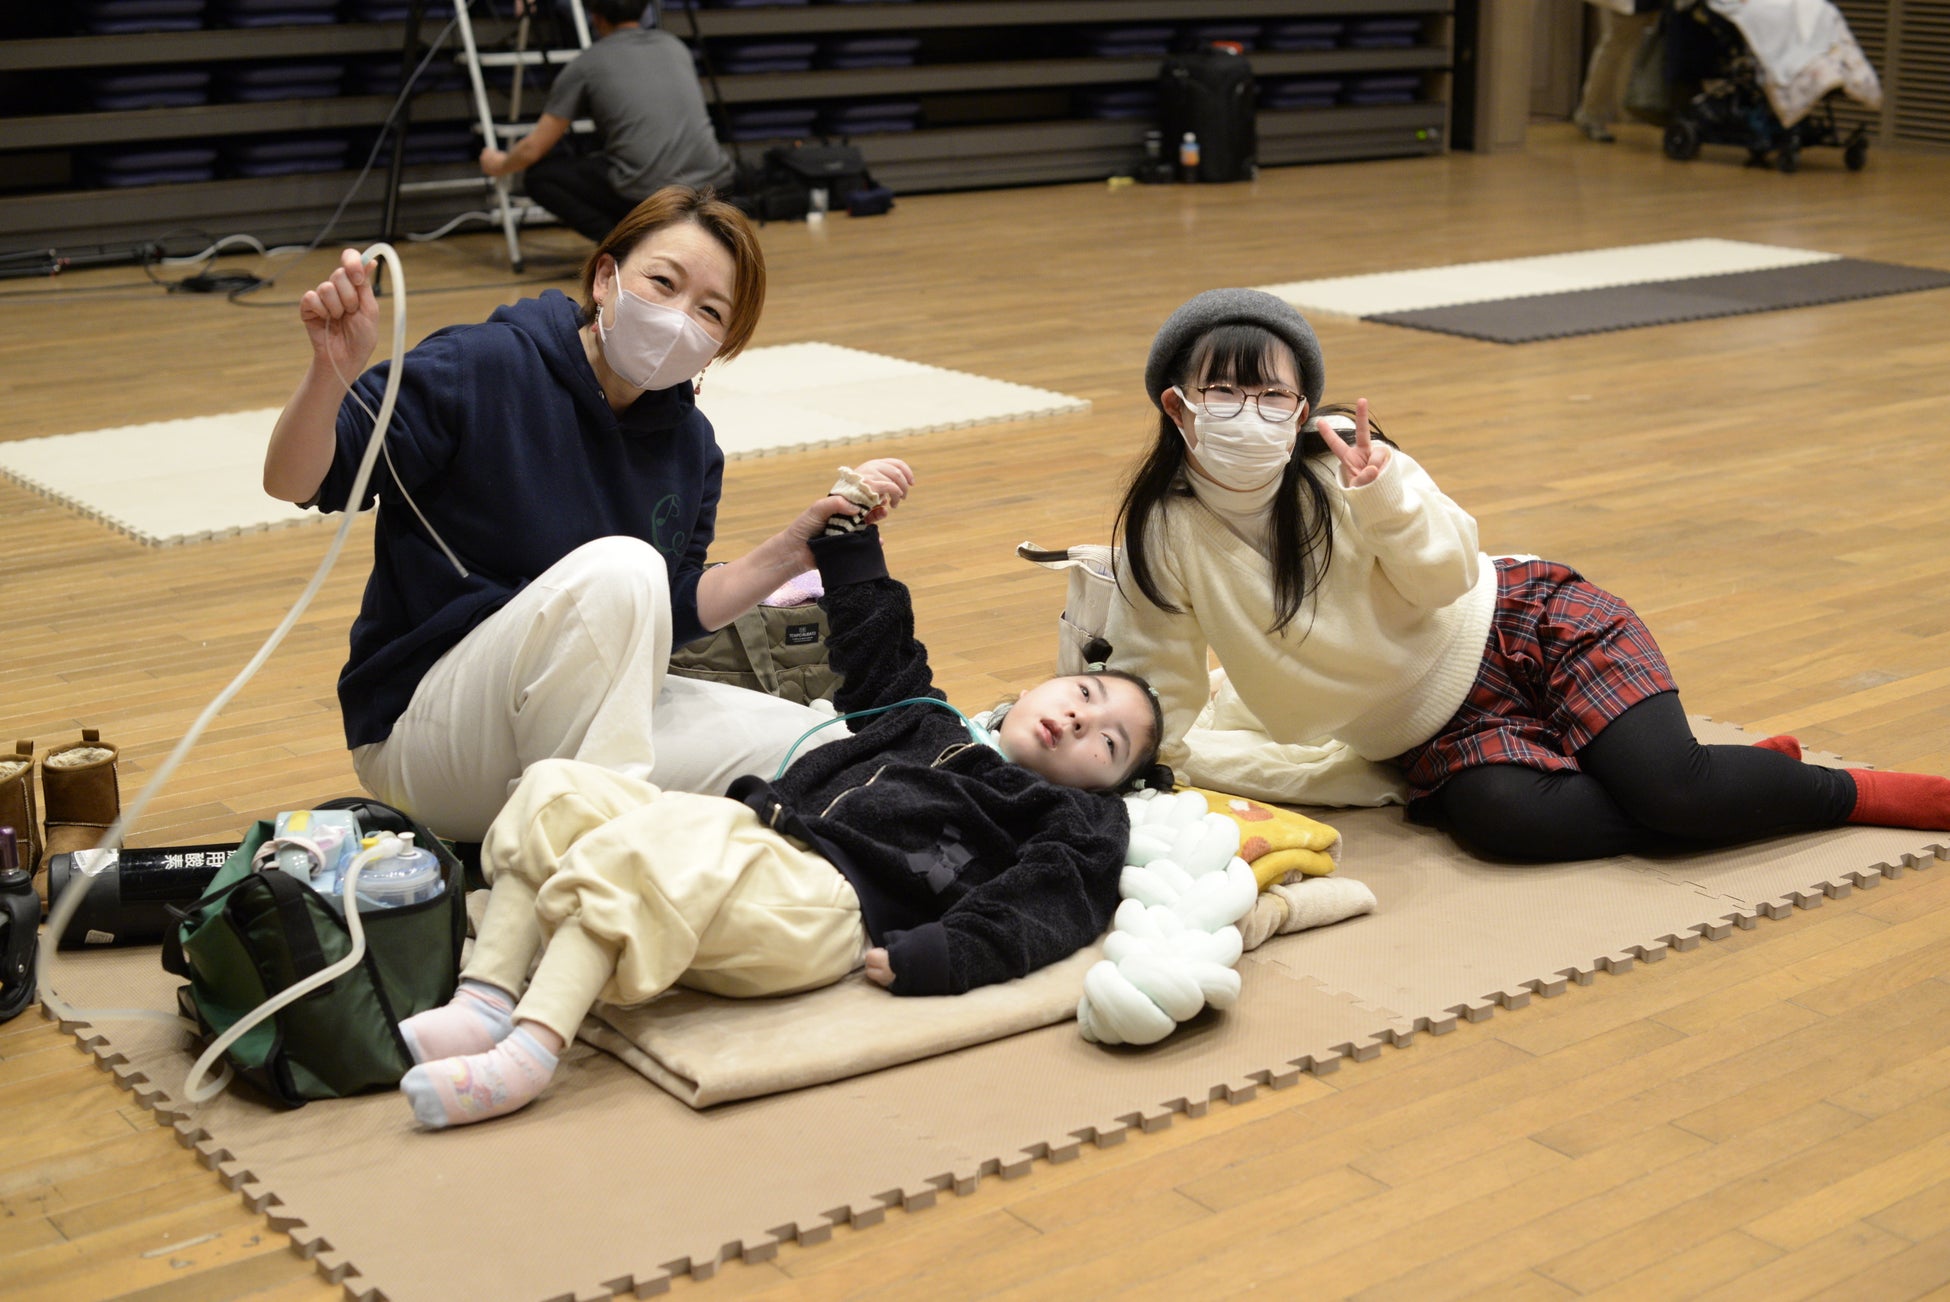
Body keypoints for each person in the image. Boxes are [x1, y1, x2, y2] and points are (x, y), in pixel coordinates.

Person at [1101, 287, 1950, 862]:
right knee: (1508, 829)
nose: (1248, 415)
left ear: (1300, 410)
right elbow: (1155, 671)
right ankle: (1723, 784)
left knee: (1675, 794)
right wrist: (1144, 777)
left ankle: (1849, 792)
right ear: (1179, 406)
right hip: (1433, 732)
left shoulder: (1348, 466)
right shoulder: (1162, 533)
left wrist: (1384, 498)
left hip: (1524, 624)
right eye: (1222, 393)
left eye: (1272, 397)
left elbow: (1444, 581)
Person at [394, 512, 1170, 1127]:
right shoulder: (927, 721)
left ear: (1113, 786)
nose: (1081, 720)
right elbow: (881, 648)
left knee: (659, 842)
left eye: (1108, 743)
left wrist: (949, 953)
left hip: (823, 908)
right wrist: (850, 544)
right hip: (751, 846)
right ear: (1039, 688)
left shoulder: (1073, 816)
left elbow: (1054, 901)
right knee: (559, 788)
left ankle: (531, 1051)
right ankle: (484, 1000)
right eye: (1086, 694)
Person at [264, 185, 913, 841]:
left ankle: (583, 826)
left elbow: (673, 609)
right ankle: (589, 856)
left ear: (721, 344)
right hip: (426, 730)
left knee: (825, 746)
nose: (680, 317)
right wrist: (329, 372)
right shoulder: (481, 365)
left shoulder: (691, 446)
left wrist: (794, 548)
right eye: (664, 282)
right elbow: (297, 480)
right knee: (625, 568)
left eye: (710, 311)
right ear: (605, 278)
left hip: (584, 719)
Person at [480, 0, 736, 243]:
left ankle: (620, 243)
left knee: (540, 178)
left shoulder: (587, 63)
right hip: (716, 184)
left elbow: (532, 149)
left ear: (595, 17)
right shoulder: (674, 46)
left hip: (648, 193)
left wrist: (499, 164)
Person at [1573, 0, 1659, 142]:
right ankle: (1591, 113)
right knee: (1615, 49)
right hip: (1635, 5)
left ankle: (1596, 113)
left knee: (1631, 50)